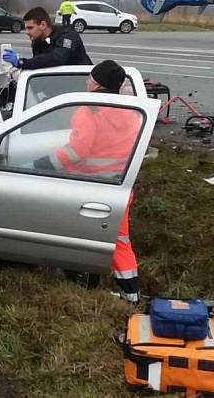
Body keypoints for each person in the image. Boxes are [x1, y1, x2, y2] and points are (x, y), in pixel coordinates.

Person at [32, 60, 141, 301]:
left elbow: (76, 152)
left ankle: (72, 275)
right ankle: (131, 294)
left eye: (90, 78)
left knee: (67, 230)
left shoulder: (88, 109)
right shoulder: (131, 110)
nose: (87, 82)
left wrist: (41, 164)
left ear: (99, 83)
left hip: (88, 184)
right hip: (120, 186)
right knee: (119, 240)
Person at [1, 6, 92, 69]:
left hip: (82, 81)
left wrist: (22, 62)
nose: (27, 32)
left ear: (43, 25)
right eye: (26, 28)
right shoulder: (37, 41)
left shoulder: (68, 35)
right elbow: (40, 63)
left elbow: (58, 58)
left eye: (30, 28)